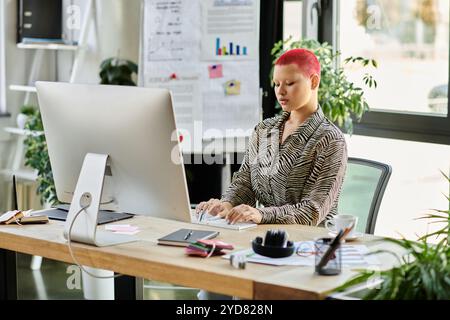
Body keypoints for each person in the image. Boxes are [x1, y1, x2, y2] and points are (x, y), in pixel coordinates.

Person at [196, 48, 348, 227]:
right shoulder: (264, 130)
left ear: (314, 81)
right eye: (276, 84)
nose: (280, 91)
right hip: (265, 239)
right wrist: (226, 204)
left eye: (289, 83)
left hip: (310, 245)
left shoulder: (330, 140)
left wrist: (261, 214)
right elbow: (245, 182)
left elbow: (312, 211)